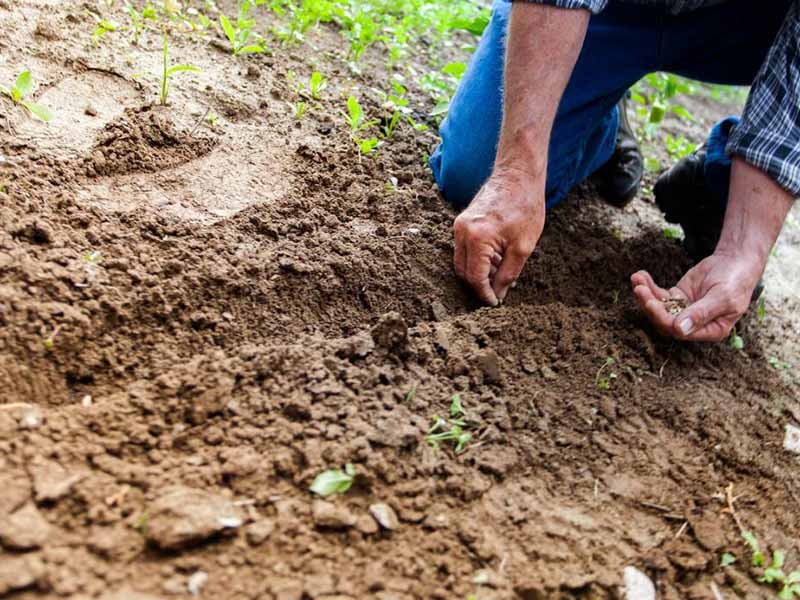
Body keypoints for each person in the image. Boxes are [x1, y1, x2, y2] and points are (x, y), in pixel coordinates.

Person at [429, 0, 798, 343]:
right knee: (475, 173)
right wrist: (517, 170)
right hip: (611, 9)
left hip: (748, 21)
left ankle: (722, 178)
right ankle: (598, 117)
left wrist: (743, 252)